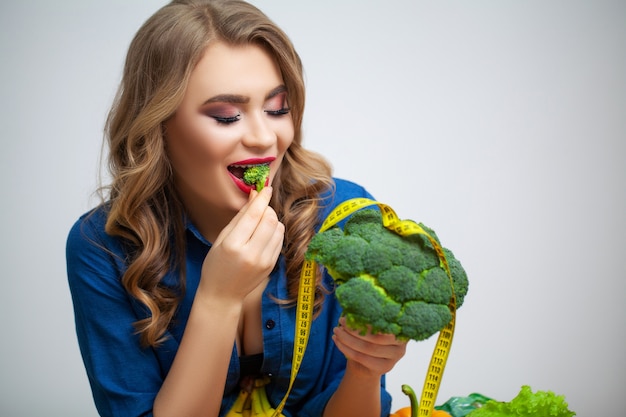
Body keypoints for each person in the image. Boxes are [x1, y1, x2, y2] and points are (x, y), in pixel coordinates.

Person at [66, 1, 408, 416]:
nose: (265, 138)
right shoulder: (103, 249)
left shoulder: (343, 218)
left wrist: (365, 371)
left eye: (277, 108)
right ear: (158, 125)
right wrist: (218, 298)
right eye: (227, 116)